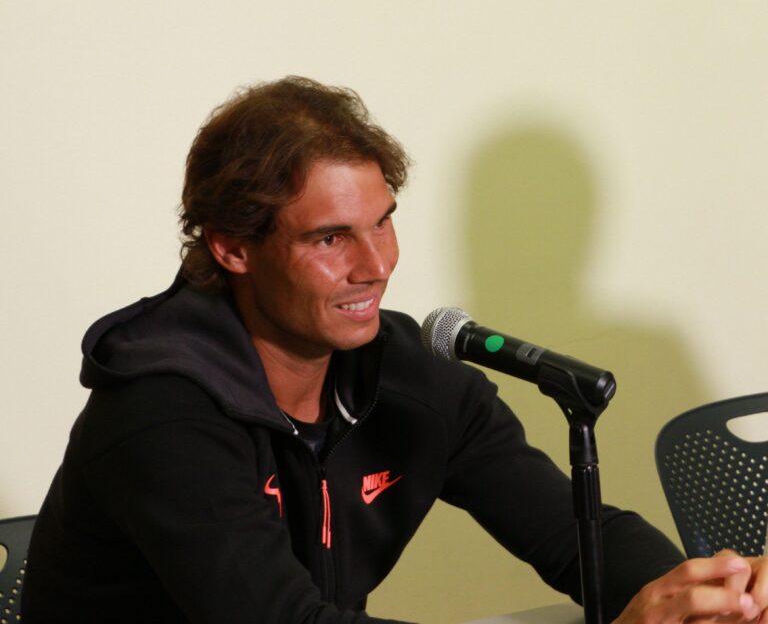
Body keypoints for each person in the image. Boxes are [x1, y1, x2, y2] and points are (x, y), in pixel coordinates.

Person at [21, 76, 768, 624]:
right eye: (330, 237)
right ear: (232, 247)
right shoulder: (160, 412)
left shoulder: (405, 371)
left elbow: (580, 534)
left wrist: (707, 594)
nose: (376, 263)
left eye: (382, 222)